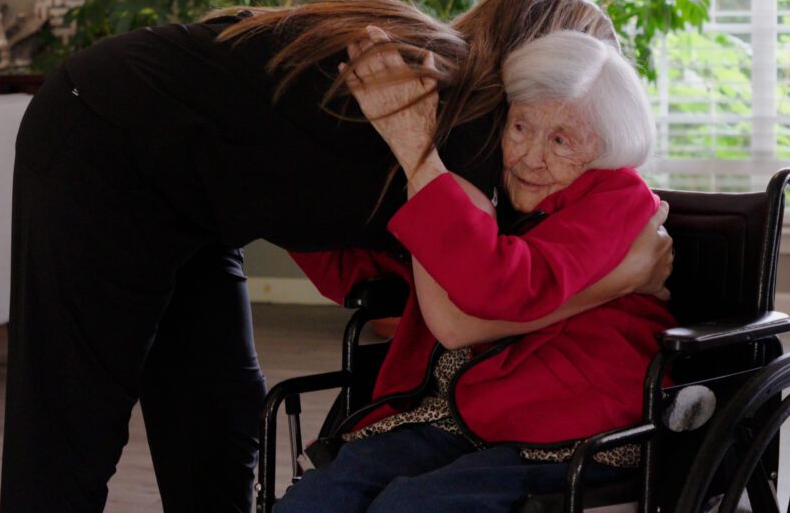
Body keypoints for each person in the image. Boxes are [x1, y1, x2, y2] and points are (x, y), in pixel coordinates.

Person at [0, 0, 671, 513]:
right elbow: (459, 320)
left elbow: (333, 238)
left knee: (216, 405)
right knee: (70, 418)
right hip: (104, 134)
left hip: (188, 176)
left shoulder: (432, 80)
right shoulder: (460, 117)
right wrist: (619, 279)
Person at [274, 27, 675, 513]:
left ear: (608, 146)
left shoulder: (619, 197)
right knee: (318, 498)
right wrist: (283, 206)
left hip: (573, 421)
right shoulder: (499, 195)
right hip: (473, 413)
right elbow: (368, 273)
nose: (531, 158)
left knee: (410, 508)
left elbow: (508, 285)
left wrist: (416, 149)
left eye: (560, 140)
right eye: (520, 128)